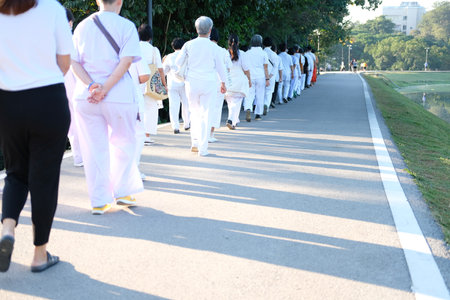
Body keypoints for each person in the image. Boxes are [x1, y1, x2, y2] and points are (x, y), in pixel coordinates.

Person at [0, 0, 73, 272]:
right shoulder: (52, 9)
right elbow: (64, 62)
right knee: (44, 178)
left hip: (7, 102)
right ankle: (39, 254)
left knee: (16, 172)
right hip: (48, 99)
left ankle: (8, 228)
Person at [71, 0, 144, 214]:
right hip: (119, 96)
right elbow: (126, 62)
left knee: (93, 148)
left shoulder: (81, 26)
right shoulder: (126, 26)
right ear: (119, 1)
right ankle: (122, 191)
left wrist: (92, 86)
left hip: (86, 97)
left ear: (97, 1)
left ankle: (99, 200)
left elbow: (74, 62)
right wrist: (105, 88)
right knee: (124, 142)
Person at [175, 16, 227, 157]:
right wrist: (223, 82)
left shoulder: (188, 44)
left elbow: (178, 62)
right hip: (209, 82)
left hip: (192, 82)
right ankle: (203, 149)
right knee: (206, 114)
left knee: (194, 112)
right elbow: (220, 67)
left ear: (196, 29)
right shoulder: (214, 47)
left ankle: (195, 142)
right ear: (210, 30)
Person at [138, 24, 167, 145]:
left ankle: (137, 134)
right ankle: (146, 136)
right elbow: (160, 69)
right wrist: (164, 84)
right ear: (150, 37)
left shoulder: (134, 47)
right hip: (150, 82)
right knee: (150, 109)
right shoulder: (154, 50)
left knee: (137, 108)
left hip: (136, 81)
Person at [63, 7, 83, 167]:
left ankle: (78, 156)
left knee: (70, 121)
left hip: (56, 85)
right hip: (76, 81)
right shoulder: (74, 40)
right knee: (81, 118)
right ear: (70, 23)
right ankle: (83, 155)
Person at [129, 50, 150, 181]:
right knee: (137, 134)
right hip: (132, 96)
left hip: (107, 96)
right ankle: (132, 170)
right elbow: (144, 75)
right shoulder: (134, 49)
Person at [208, 28, 232, 143]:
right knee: (216, 109)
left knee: (201, 108)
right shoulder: (222, 51)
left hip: (201, 81)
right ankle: (210, 134)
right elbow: (228, 68)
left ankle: (199, 134)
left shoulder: (200, 48)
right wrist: (224, 82)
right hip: (218, 83)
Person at [163, 38, 190, 134]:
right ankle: (187, 124)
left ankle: (175, 127)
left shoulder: (169, 57)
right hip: (184, 83)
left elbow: (164, 71)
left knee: (173, 106)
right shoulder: (187, 56)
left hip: (172, 85)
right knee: (186, 104)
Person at [225, 34, 251, 129]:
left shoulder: (225, 54)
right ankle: (231, 120)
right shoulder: (242, 54)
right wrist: (249, 80)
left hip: (228, 80)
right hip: (240, 82)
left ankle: (234, 121)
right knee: (236, 103)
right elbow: (246, 70)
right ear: (238, 43)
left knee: (230, 103)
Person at [244, 34, 270, 122]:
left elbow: (245, 67)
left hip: (250, 76)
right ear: (260, 42)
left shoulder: (247, 53)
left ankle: (248, 108)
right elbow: (265, 67)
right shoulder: (263, 53)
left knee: (249, 94)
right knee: (260, 95)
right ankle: (258, 114)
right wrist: (267, 79)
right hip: (260, 76)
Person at [263, 37, 281, 114]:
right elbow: (276, 67)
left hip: (261, 75)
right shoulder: (274, 54)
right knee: (269, 92)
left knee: (261, 92)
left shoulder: (262, 53)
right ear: (271, 45)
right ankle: (266, 105)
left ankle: (259, 107)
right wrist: (269, 76)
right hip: (271, 76)